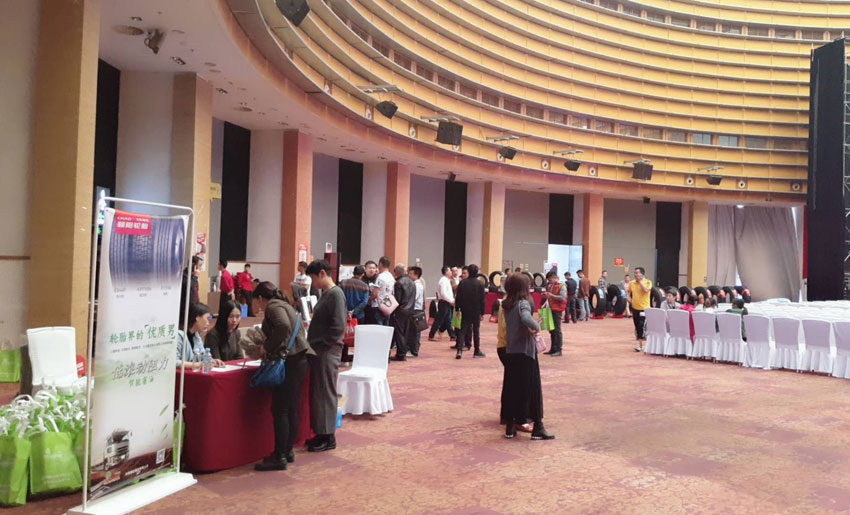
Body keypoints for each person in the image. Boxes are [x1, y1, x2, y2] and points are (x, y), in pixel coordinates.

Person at [252, 282, 315, 471]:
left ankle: (279, 455)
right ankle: (287, 451)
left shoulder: (273, 306)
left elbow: (282, 326)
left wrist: (267, 347)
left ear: (261, 298)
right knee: (291, 408)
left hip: (290, 362)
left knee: (280, 410)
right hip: (300, 359)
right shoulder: (286, 305)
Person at [502, 273, 554, 441]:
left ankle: (510, 426)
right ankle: (538, 426)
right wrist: (536, 326)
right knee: (532, 389)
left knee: (512, 389)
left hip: (511, 351)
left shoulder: (507, 304)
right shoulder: (523, 303)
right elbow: (525, 318)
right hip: (525, 352)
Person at [304, 260, 347, 452]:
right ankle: (321, 432)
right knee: (319, 392)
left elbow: (338, 327)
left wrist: (320, 344)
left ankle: (328, 436)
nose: (313, 283)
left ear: (322, 273)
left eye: (313, 278)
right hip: (320, 350)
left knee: (325, 392)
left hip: (326, 351)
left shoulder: (335, 294)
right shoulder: (327, 294)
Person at [176, 302, 225, 369]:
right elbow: (175, 362)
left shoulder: (196, 335)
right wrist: (198, 365)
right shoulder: (179, 335)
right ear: (197, 317)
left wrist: (212, 361)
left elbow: (202, 355)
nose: (208, 323)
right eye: (207, 318)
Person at [454, 264, 486, 359]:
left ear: (469, 272)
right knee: (476, 331)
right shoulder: (480, 284)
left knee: (462, 330)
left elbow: (458, 297)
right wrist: (482, 312)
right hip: (476, 310)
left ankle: (459, 350)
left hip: (465, 309)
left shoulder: (463, 283)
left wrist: (457, 309)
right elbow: (482, 300)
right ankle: (476, 351)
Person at [390, 264, 416, 360]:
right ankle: (403, 352)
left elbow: (397, 299)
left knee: (400, 333)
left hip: (400, 311)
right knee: (406, 332)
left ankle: (401, 354)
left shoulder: (398, 283)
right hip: (410, 310)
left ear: (396, 272)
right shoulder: (412, 282)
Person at [628, 267, 653, 352]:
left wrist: (640, 282)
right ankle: (640, 344)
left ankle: (640, 344)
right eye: (635, 273)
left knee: (641, 325)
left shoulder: (648, 282)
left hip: (644, 308)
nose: (635, 275)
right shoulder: (632, 283)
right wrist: (630, 300)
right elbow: (628, 292)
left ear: (642, 274)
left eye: (637, 273)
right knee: (637, 325)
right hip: (635, 308)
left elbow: (646, 290)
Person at [428, 266, 456, 341]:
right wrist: (451, 301)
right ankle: (431, 335)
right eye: (449, 270)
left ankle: (452, 336)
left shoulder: (446, 280)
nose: (451, 272)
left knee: (448, 320)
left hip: (446, 302)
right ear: (446, 272)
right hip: (444, 303)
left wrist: (451, 300)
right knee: (438, 320)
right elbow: (443, 294)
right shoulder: (443, 281)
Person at [543, 271, 566, 357]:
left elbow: (562, 298)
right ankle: (553, 348)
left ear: (556, 278)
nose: (550, 281)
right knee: (551, 330)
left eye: (550, 279)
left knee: (557, 330)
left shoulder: (562, 286)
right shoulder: (550, 286)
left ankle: (559, 349)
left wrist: (551, 296)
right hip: (550, 309)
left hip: (557, 310)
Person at [179, 255, 202, 328]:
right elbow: (190, 290)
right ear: (194, 266)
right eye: (200, 265)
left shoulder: (193, 277)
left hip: (193, 308)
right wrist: (195, 277)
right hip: (186, 311)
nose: (201, 268)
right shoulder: (185, 276)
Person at [407, 266, 425, 356]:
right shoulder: (417, 284)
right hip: (416, 309)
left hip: (415, 310)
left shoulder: (417, 286)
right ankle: (413, 349)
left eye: (411, 274)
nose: (409, 275)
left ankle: (414, 350)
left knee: (414, 331)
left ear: (416, 275)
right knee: (414, 331)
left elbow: (414, 298)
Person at [372, 256, 396, 326]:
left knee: (379, 325)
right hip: (388, 304)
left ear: (380, 264)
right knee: (386, 325)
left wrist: (370, 299)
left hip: (378, 305)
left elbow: (375, 293)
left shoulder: (380, 277)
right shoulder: (391, 277)